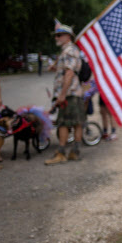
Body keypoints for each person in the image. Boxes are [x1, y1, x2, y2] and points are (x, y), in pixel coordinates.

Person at [45, 20, 85, 165]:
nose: (56, 38)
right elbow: (67, 71)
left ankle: (62, 153)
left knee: (63, 123)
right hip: (74, 93)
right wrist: (55, 69)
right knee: (77, 123)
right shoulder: (69, 51)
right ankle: (75, 152)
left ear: (68, 36)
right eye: (56, 35)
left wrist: (62, 95)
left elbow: (69, 73)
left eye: (59, 35)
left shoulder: (69, 51)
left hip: (69, 94)